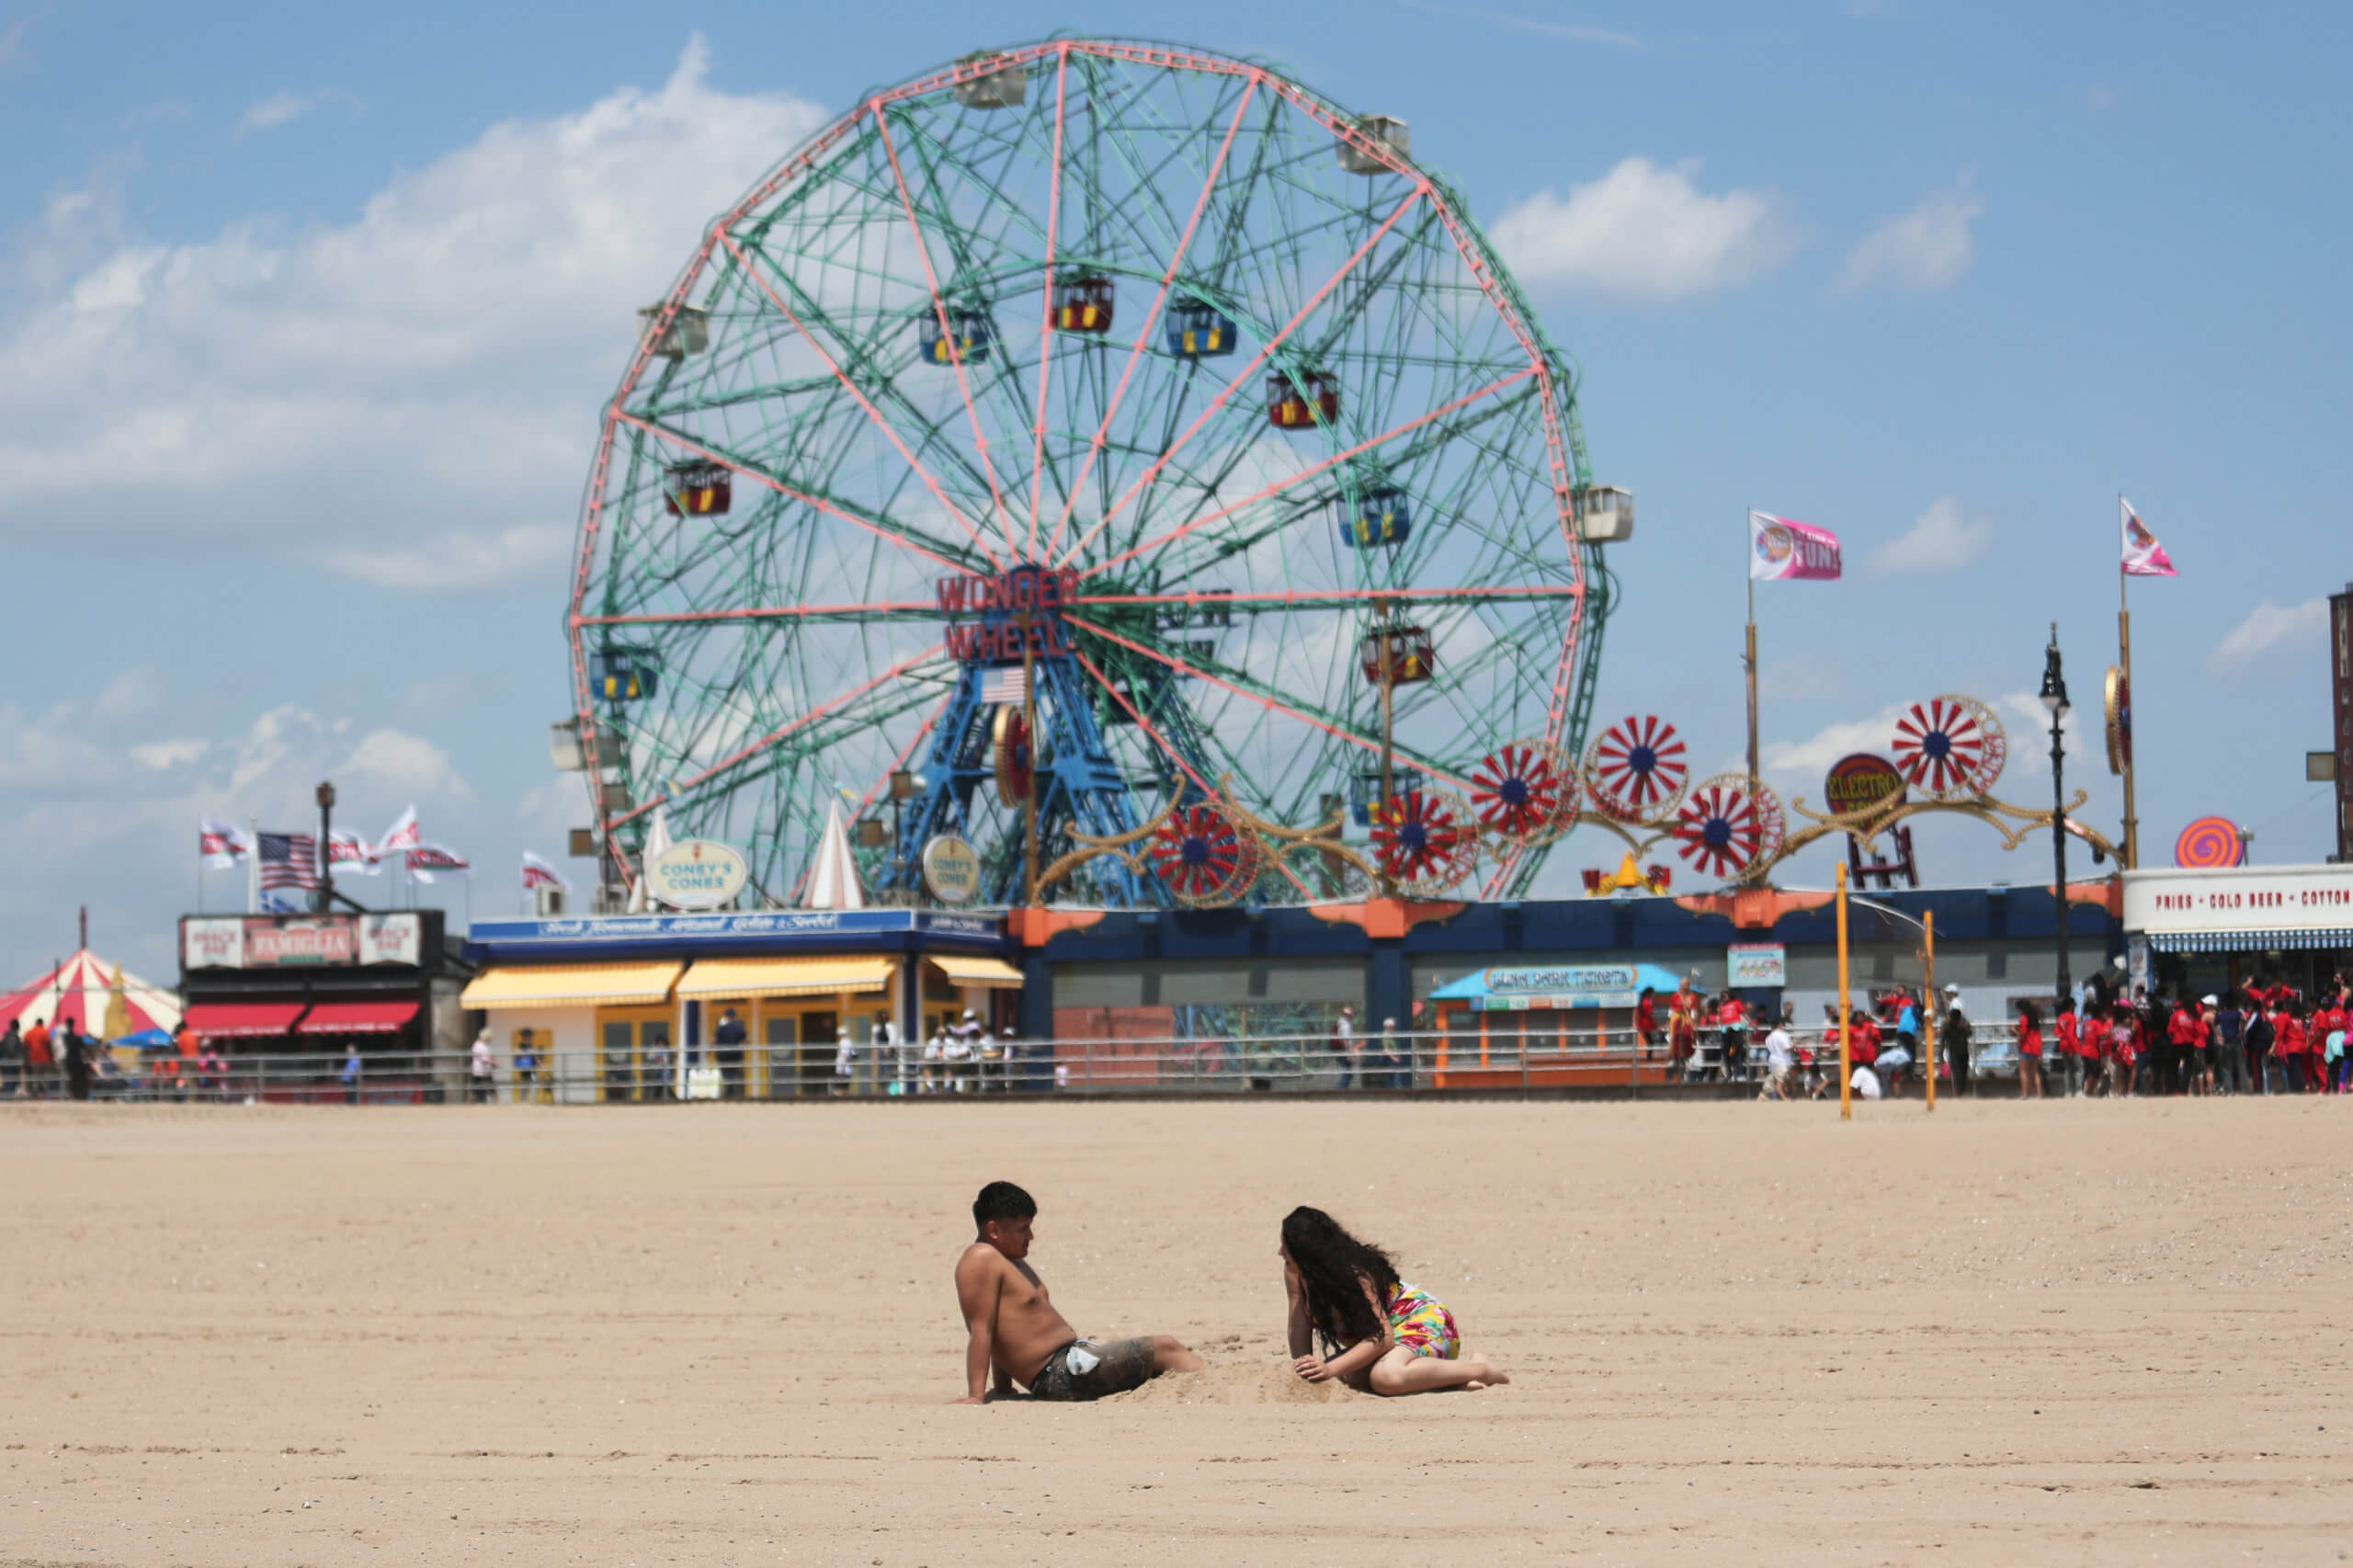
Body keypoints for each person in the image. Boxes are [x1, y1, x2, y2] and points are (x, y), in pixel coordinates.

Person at [953, 1181, 1201, 1403]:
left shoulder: (1007, 1260)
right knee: (1164, 1347)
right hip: (1058, 1376)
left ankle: (1208, 1381)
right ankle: (1211, 1385)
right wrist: (976, 1396)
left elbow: (1004, 1328)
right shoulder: (980, 1258)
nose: (1030, 1236)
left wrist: (1004, 1389)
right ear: (994, 1230)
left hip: (1072, 1361)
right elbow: (982, 1328)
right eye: (1022, 1229)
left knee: (1160, 1361)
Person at [1279, 1205, 1506, 1394]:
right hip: (1388, 1341)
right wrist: (1305, 1368)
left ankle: (1480, 1369)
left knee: (1384, 1378)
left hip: (1424, 1324)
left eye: (1286, 1247)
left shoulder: (1356, 1274)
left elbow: (1382, 1338)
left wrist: (1329, 1369)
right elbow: (1298, 1323)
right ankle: (1453, 1382)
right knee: (1348, 1375)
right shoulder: (1296, 1272)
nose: (1280, 1252)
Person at [1756, 1008, 1798, 1101]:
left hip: (1773, 1061)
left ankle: (1764, 1096)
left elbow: (1769, 1047)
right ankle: (1785, 1099)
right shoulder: (1783, 1035)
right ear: (1780, 1024)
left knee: (1775, 1081)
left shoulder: (1769, 1037)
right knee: (1780, 1083)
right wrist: (1794, 1045)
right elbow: (1787, 1048)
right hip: (1782, 1061)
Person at [1942, 985, 1972, 1096]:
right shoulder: (1961, 1002)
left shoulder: (1954, 1003)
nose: (1946, 995)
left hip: (1955, 1044)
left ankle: (1958, 1091)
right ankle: (1962, 1090)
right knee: (1963, 1069)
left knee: (1956, 1069)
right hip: (1962, 1044)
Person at [712, 1007, 748, 1099]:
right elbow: (747, 1039)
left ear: (726, 1016)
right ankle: (732, 1091)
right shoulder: (738, 1028)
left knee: (726, 1074)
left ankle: (729, 1092)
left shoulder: (721, 1028)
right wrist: (741, 1046)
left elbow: (714, 1040)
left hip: (723, 1055)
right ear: (734, 1017)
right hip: (735, 1054)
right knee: (733, 1073)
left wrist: (712, 1049)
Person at [2016, 999, 2044, 1100]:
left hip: (2027, 1047)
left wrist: (2015, 1031)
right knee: (2035, 1072)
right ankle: (2039, 1094)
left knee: (2023, 1071)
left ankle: (2025, 1094)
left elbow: (2022, 1035)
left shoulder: (2024, 1019)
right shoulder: (2035, 1019)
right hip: (2036, 1048)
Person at [22, 1015, 51, 1099]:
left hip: (33, 1060)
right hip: (45, 1060)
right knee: (44, 1078)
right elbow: (48, 1045)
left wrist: (26, 1059)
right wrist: (51, 1058)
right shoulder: (44, 1032)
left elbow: (25, 1047)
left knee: (35, 1078)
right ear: (42, 1023)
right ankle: (43, 1094)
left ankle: (35, 1094)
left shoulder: (29, 1032)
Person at [1331, 1005, 1358, 1091]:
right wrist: (1349, 1054)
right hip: (1344, 1050)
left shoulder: (1341, 1022)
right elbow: (1346, 1040)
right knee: (1348, 1073)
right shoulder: (1345, 1025)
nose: (1353, 1015)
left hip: (1340, 1050)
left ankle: (1341, 1089)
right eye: (1352, 1014)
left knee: (1347, 1072)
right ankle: (1340, 1090)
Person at [513, 1029, 539, 1104]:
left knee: (534, 1084)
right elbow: (518, 1055)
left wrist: (538, 1062)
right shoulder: (521, 1045)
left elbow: (534, 1056)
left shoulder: (531, 1045)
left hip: (532, 1069)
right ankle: (522, 1101)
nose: (531, 1037)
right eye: (529, 1036)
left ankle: (532, 1101)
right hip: (525, 1069)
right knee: (525, 1085)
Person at [470, 1029, 495, 1104]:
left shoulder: (487, 1045)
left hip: (487, 1071)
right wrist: (494, 1062)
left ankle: (494, 1103)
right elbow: (483, 1058)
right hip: (478, 1071)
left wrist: (493, 1060)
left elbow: (490, 1055)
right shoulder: (478, 1045)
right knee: (476, 1089)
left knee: (491, 1088)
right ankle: (472, 1103)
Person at [0, 1017, 21, 1098]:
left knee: (8, 1082)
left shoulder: (5, 1037)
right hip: (11, 1063)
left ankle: (7, 1097)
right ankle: (7, 1097)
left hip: (5, 1063)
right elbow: (12, 1050)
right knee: (11, 1082)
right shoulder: (14, 1037)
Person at [340, 1042, 362, 1106]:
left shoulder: (355, 1058)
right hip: (348, 1079)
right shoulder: (350, 1058)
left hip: (351, 1079)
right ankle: (351, 1106)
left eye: (350, 1049)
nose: (348, 1050)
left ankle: (352, 1106)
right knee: (350, 1094)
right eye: (348, 1049)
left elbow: (355, 1070)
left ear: (354, 1049)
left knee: (352, 1094)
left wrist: (358, 1079)